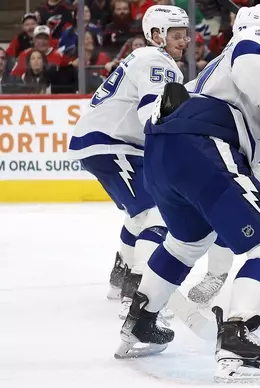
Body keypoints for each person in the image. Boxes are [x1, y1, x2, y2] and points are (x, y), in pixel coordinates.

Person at [116, 5, 260, 383]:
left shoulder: (220, 78)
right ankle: (237, 337)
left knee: (188, 241)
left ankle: (141, 320)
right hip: (203, 145)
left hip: (165, 151)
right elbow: (250, 51)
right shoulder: (254, 45)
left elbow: (255, 169)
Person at [67, 5, 189, 314]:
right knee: (157, 210)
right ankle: (138, 291)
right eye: (176, 35)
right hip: (112, 143)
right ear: (157, 35)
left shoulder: (145, 58)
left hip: (111, 143)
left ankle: (118, 278)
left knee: (138, 214)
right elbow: (150, 113)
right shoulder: (157, 61)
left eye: (185, 34)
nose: (184, 41)